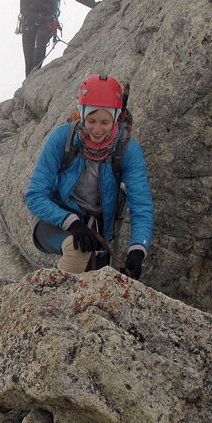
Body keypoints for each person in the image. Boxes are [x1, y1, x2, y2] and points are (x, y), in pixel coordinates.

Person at [25, 74, 153, 278]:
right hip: (53, 221)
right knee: (77, 251)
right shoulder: (62, 138)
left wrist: (138, 248)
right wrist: (71, 222)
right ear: (82, 114)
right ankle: (52, 304)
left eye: (105, 122)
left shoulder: (127, 149)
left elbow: (141, 204)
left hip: (98, 232)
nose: (97, 129)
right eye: (91, 120)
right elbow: (35, 195)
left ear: (116, 118)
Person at [18, 0, 98, 76]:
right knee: (29, 63)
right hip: (31, 25)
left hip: (48, 24)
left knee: (39, 44)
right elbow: (24, 10)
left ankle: (36, 75)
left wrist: (92, 4)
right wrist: (40, 19)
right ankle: (30, 82)